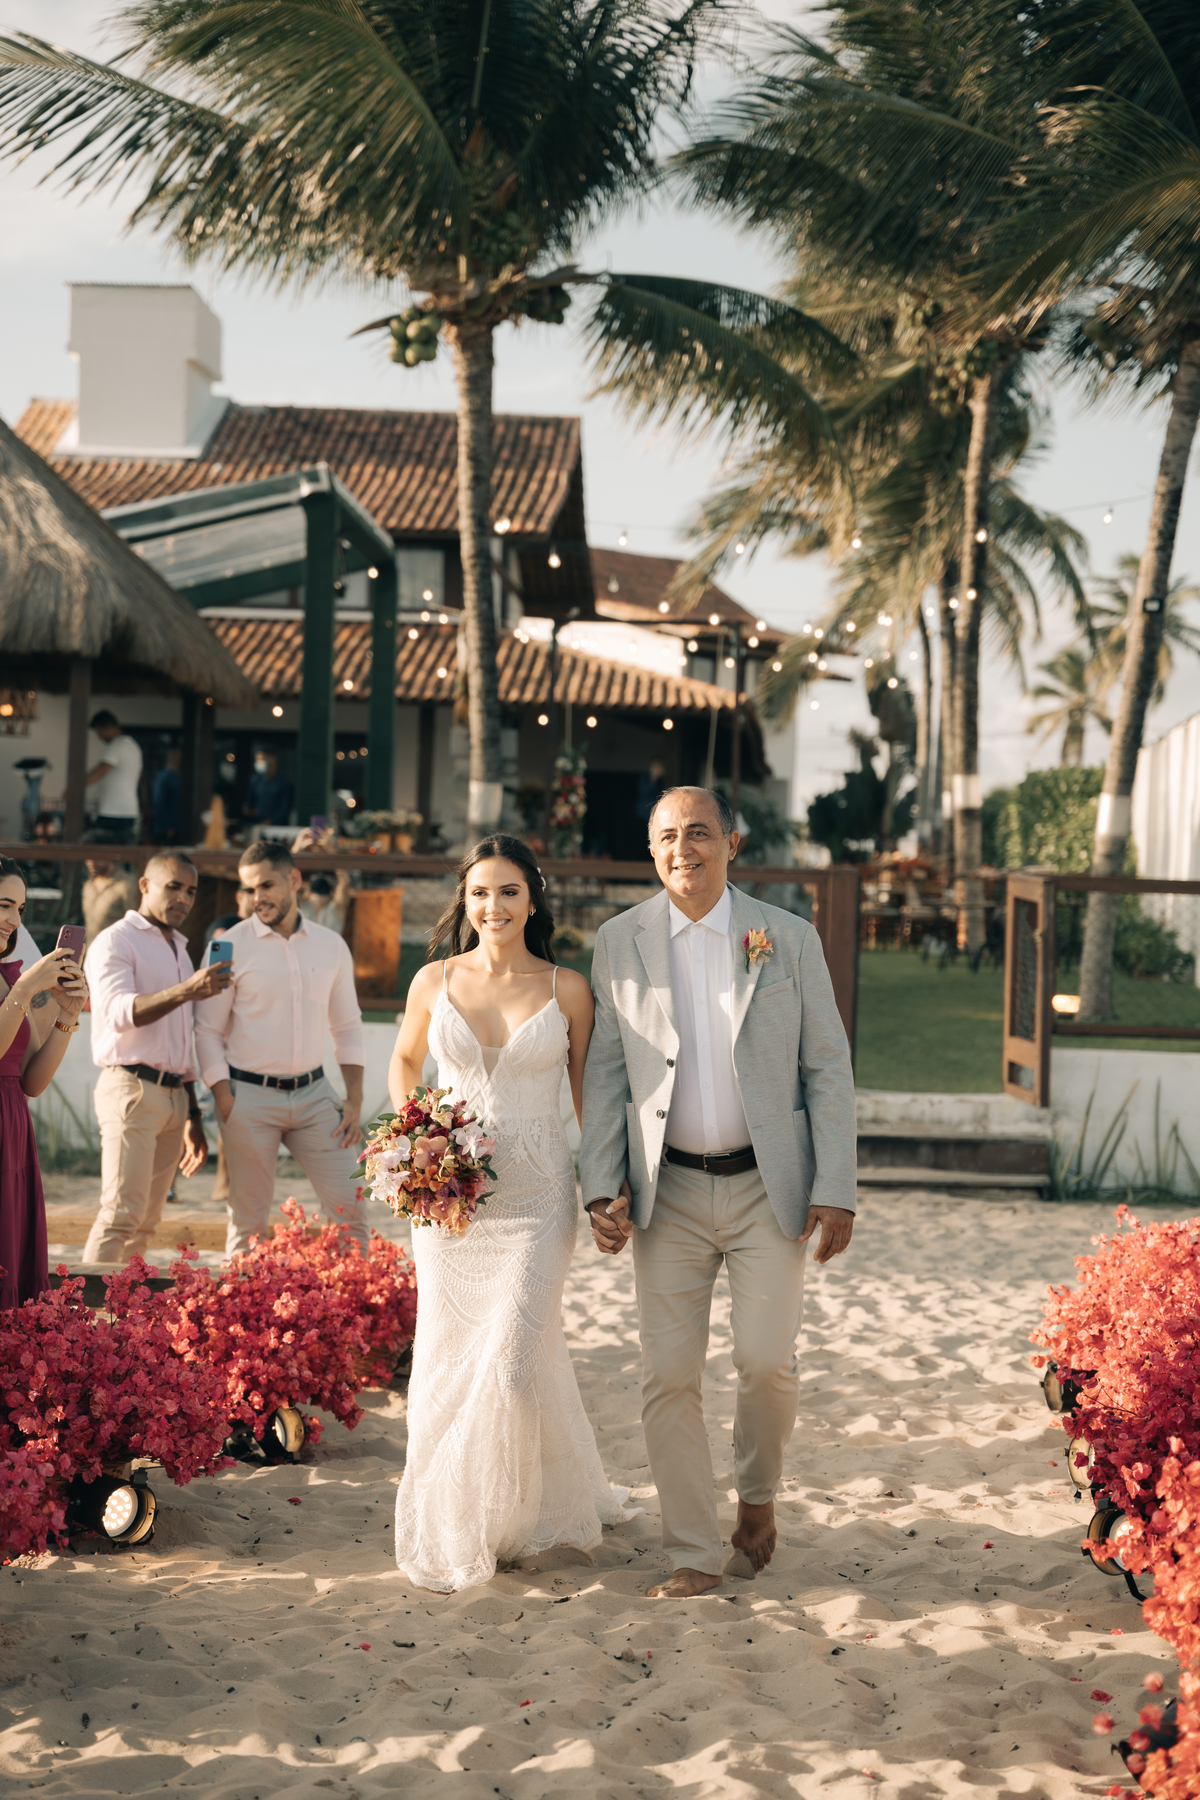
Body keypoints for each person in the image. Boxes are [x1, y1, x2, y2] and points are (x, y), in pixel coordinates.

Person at [581, 786, 857, 1599]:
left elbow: (826, 1069)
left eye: (699, 834)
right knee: (668, 1375)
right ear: (650, 847)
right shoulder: (617, 942)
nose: (683, 850)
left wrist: (835, 1185)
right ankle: (694, 1550)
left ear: (732, 843)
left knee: (768, 1363)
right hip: (665, 1196)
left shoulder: (789, 939)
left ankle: (759, 1497)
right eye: (667, 835)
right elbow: (603, 1077)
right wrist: (601, 1185)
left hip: (767, 1189)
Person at [388, 834, 636, 1591]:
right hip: (448, 1203)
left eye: (507, 892)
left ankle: (504, 1516)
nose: (493, 907)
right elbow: (404, 1060)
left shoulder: (567, 989)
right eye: (479, 894)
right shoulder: (434, 980)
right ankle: (460, 1520)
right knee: (448, 1356)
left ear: (533, 899)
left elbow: (591, 1100)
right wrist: (419, 1136)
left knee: (513, 1366)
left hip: (535, 1200)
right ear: (464, 903)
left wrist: (607, 1187)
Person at [194, 839, 366, 1256]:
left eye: (266, 886)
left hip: (315, 1096)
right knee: (248, 1222)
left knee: (352, 1209)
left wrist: (354, 1099)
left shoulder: (331, 945)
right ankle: (239, 1314)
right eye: (249, 889)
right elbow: (206, 1031)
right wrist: (223, 1097)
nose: (257, 898)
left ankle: (353, 1312)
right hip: (247, 1099)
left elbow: (346, 1026)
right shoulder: (228, 946)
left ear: (294, 880)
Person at [82, 853, 233, 1266]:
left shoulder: (179, 949)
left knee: (146, 1222)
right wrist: (186, 990)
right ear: (145, 886)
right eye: (174, 887)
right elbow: (115, 1013)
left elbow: (180, 1042)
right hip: (130, 1087)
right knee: (119, 1217)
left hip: (172, 1098)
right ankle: (81, 1323)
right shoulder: (116, 940)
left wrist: (193, 1116)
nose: (183, 898)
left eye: (191, 891)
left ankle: (121, 1325)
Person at [0, 857, 90, 1308]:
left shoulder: (10, 975)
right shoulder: (18, 983)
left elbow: (31, 1080)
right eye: (4, 905)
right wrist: (22, 990)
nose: (14, 920)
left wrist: (67, 1020)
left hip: (12, 1128)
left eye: (19, 908)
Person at [83, 711, 143, 844]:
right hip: (129, 810)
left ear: (108, 727)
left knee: (98, 853)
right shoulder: (134, 746)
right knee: (118, 855)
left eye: (99, 731)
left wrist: (75, 788)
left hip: (112, 812)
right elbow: (138, 775)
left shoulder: (118, 744)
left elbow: (101, 771)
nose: (99, 736)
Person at [82, 858, 140, 947]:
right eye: (88, 858)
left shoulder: (127, 885)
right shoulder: (88, 885)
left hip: (117, 952)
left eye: (96, 857)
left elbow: (136, 924)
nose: (91, 862)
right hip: (91, 952)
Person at [243, 751, 293, 828]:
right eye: (257, 760)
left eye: (262, 759)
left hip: (277, 828)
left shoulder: (284, 783)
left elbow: (285, 808)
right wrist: (248, 811)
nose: (259, 762)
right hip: (255, 825)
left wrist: (270, 821)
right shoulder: (255, 781)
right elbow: (249, 803)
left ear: (272, 760)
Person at [151, 749, 182, 842]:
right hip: (165, 829)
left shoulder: (177, 776)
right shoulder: (164, 777)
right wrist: (167, 826)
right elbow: (158, 802)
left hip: (177, 826)